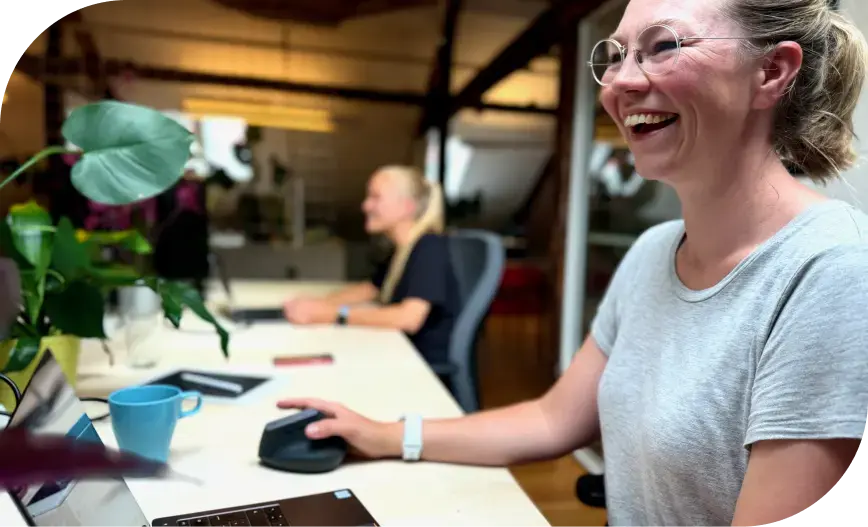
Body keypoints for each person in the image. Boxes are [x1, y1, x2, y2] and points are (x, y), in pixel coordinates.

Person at [277, 0, 868, 525]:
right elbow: (552, 421)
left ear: (772, 70)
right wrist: (383, 434)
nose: (619, 82)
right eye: (614, 55)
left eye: (662, 46)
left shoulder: (834, 273)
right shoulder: (651, 253)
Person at [284, 165, 459, 367]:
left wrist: (331, 314)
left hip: (420, 369)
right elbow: (371, 289)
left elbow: (408, 318)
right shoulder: (403, 249)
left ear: (407, 207)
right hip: (397, 352)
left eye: (376, 198)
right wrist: (320, 304)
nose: (366, 206)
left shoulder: (429, 247)